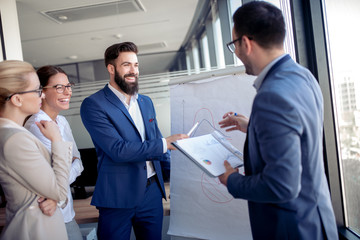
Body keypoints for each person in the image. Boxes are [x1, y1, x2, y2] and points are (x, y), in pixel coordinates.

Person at [217, 2, 338, 239]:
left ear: (247, 43)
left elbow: (281, 186)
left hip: (291, 229)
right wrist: (252, 126)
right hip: (316, 220)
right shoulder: (303, 76)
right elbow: (298, 137)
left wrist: (232, 181)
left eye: (235, 45)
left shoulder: (271, 96)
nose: (238, 54)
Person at [80, 41, 187, 240]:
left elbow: (155, 141)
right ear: (111, 69)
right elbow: (117, 150)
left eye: (136, 65)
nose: (133, 70)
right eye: (126, 65)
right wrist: (165, 143)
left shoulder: (145, 102)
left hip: (152, 193)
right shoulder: (94, 105)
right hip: (117, 197)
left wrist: (177, 182)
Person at [0, 60, 72, 240]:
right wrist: (56, 140)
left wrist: (53, 196)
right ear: (17, 99)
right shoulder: (15, 139)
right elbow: (59, 191)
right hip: (36, 229)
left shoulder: (15, 133)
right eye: (37, 90)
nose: (41, 96)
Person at [24, 65, 84, 240]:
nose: (67, 92)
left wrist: (68, 164)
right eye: (59, 87)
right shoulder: (37, 126)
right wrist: (68, 162)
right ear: (41, 92)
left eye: (68, 85)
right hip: (48, 214)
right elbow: (53, 177)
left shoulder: (62, 121)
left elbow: (78, 162)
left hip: (66, 211)